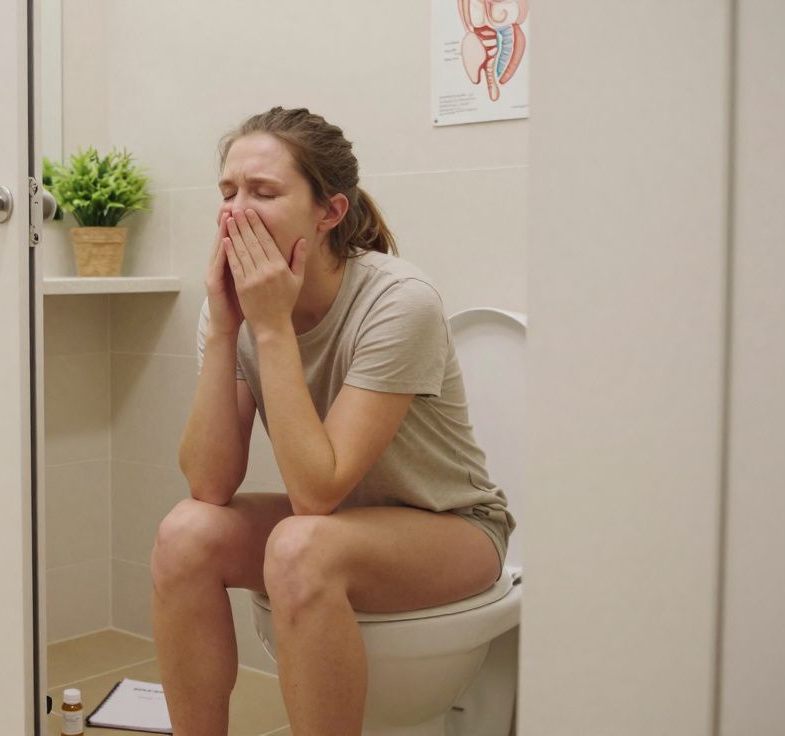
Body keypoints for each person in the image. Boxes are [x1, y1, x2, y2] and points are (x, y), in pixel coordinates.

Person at [150, 106, 516, 735]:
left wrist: (270, 327)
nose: (236, 211)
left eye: (264, 192)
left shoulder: (398, 301)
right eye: (228, 192)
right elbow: (209, 484)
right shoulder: (234, 308)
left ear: (330, 212)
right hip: (337, 527)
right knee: (186, 533)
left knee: (301, 546)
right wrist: (225, 328)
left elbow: (316, 495)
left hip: (453, 528)